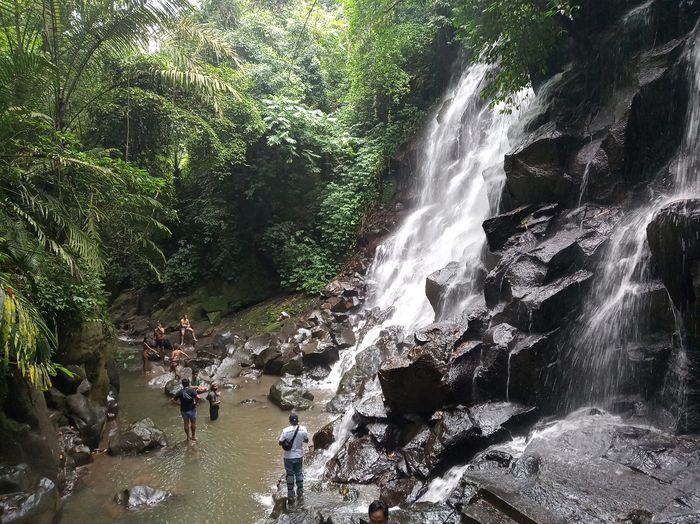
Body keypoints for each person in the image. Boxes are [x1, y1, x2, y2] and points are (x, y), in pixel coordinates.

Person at [278, 412, 308, 503]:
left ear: (290, 421)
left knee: (290, 474)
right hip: (299, 455)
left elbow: (280, 442)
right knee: (299, 473)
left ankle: (291, 494)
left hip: (288, 456)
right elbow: (306, 440)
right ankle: (300, 493)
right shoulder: (303, 429)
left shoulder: (285, 431)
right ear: (298, 420)